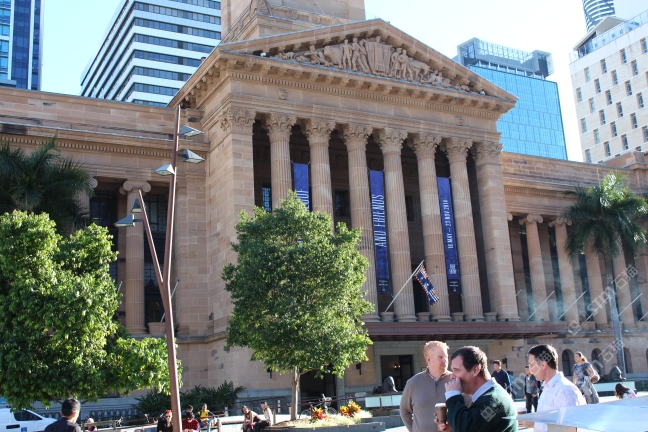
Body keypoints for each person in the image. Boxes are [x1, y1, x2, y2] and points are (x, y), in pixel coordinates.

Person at [439, 346, 517, 432]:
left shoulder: (493, 401)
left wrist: (453, 396)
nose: (452, 376)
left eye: (456, 370)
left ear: (475, 370)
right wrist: (454, 425)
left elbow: (466, 429)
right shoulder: (491, 396)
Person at [528, 344, 585, 432]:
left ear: (543, 365)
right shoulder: (547, 387)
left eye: (532, 365)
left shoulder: (565, 390)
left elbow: (569, 429)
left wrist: (535, 423)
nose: (530, 370)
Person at [400, 340, 452, 432]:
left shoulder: (456, 381)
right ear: (428, 360)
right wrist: (414, 430)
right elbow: (404, 411)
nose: (445, 360)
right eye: (440, 357)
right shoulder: (413, 383)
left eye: (446, 357)